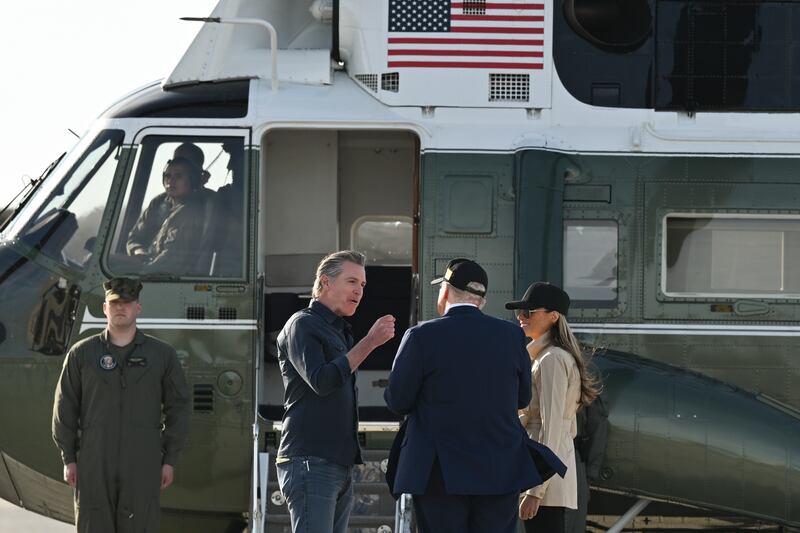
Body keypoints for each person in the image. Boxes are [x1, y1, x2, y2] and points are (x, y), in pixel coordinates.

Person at [384, 258, 566, 533]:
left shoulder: (421, 336)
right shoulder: (511, 337)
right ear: (481, 300)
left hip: (439, 471)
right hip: (500, 467)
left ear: (445, 292)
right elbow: (522, 399)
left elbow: (398, 401)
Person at [52, 277, 190, 533]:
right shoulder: (82, 354)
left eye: (126, 302)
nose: (120, 308)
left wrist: (169, 459)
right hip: (94, 462)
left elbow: (178, 408)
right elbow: (65, 408)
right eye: (114, 303)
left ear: (138, 307)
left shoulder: (161, 356)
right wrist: (68, 458)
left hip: (143, 461)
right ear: (104, 308)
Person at [275, 250, 396, 533]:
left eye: (363, 285)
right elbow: (322, 380)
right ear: (325, 282)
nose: (359, 291)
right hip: (310, 461)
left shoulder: (340, 331)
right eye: (352, 281)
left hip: (337, 464)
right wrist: (371, 342)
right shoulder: (302, 324)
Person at [505, 282, 601, 532]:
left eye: (528, 312)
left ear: (553, 316)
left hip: (543, 476)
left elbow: (553, 427)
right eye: (520, 312)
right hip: (543, 472)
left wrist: (536, 490)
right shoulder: (546, 356)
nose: (520, 317)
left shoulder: (552, 359)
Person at [125, 157, 208, 273]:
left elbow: (171, 262)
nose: (170, 181)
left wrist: (143, 271)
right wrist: (139, 251)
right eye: (168, 176)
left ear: (193, 181)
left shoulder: (190, 213)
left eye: (178, 176)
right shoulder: (162, 203)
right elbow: (134, 238)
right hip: (149, 264)